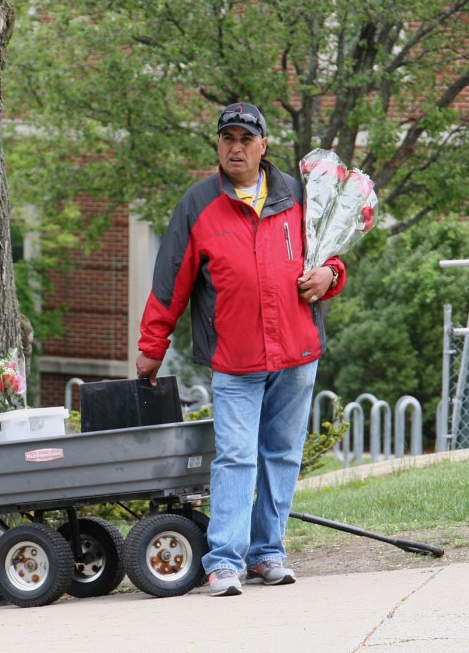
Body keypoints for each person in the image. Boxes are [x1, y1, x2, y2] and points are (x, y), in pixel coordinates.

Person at [136, 102, 346, 597]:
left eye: (245, 138)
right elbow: (170, 281)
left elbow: (330, 257)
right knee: (235, 457)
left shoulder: (297, 194)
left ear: (263, 145)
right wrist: (152, 345)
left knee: (282, 455)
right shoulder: (197, 204)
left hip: (297, 353)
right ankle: (224, 562)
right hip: (236, 359)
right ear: (218, 145)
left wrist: (330, 275)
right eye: (227, 138)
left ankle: (267, 554)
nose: (236, 146)